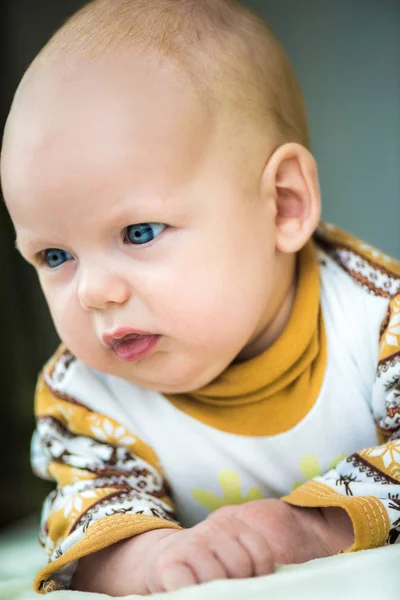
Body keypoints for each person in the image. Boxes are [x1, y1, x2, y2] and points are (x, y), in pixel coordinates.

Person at [1, 0, 400, 596]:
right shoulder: (85, 393)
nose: (92, 292)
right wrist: (153, 556)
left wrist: (307, 529)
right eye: (54, 257)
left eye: (138, 233)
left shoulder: (378, 320)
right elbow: (83, 521)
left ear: (284, 205)